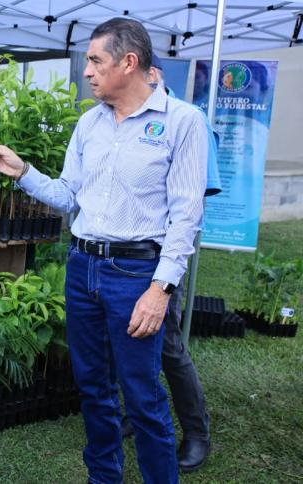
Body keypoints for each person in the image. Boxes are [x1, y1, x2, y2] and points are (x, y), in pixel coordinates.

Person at [0, 18, 207, 484]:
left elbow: (186, 217)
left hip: (136, 275)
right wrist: (22, 171)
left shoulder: (182, 122)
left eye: (95, 60)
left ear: (128, 62)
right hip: (83, 266)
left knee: (142, 396)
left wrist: (160, 290)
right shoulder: (90, 123)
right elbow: (69, 196)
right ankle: (103, 477)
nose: (86, 71)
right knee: (93, 388)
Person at [118, 54, 221, 472]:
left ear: (151, 73)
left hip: (161, 256)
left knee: (169, 346)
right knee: (127, 337)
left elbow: (195, 197)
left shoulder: (188, 120)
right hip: (123, 256)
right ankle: (135, 412)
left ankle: (197, 432)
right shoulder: (123, 117)